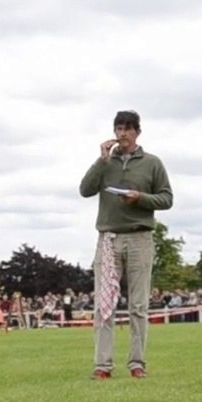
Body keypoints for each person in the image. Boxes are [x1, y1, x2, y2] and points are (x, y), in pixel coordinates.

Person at [79, 110, 174, 379]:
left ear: (137, 132)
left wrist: (140, 198)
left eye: (127, 129)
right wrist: (101, 161)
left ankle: (137, 363)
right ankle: (102, 365)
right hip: (108, 239)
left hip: (140, 238)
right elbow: (85, 190)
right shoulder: (105, 163)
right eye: (118, 128)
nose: (122, 134)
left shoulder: (152, 163)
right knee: (104, 305)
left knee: (139, 306)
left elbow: (167, 199)